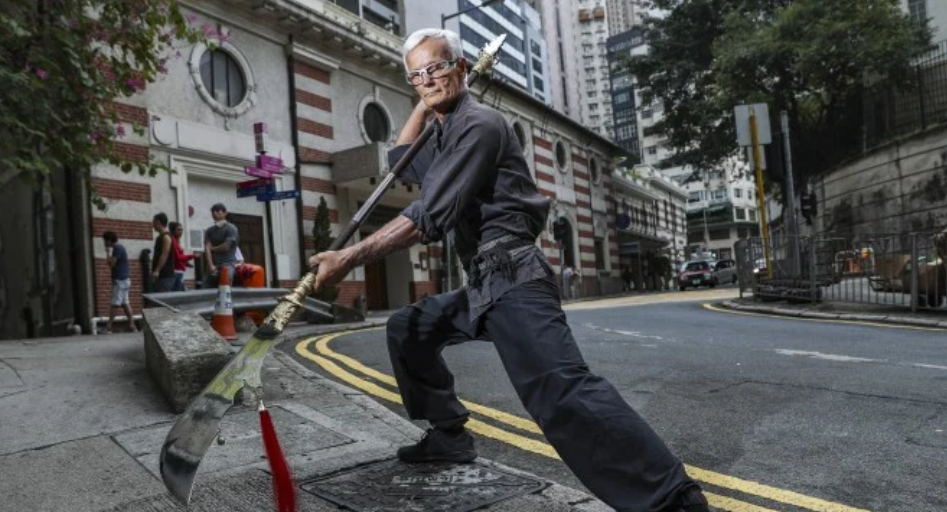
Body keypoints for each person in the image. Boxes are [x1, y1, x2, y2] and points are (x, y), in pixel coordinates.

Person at [308, 29, 709, 512]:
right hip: (481, 283)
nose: (428, 79)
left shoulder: (479, 125)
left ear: (461, 67)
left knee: (560, 392)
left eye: (437, 67)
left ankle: (672, 496)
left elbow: (426, 218)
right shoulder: (445, 130)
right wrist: (427, 97)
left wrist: (347, 258)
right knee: (407, 327)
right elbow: (401, 157)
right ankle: (449, 434)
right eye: (417, 74)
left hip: (515, 277)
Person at [102, 231, 137, 333]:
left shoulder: (117, 248)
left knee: (115, 303)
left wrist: (107, 252)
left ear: (109, 240)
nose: (104, 243)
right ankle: (132, 326)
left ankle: (108, 327)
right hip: (124, 279)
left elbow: (111, 264)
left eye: (105, 240)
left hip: (120, 280)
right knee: (125, 303)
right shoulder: (119, 248)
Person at [202, 203, 239, 289]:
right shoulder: (210, 230)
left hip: (227, 264)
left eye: (218, 211)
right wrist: (210, 265)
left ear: (225, 213)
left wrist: (213, 249)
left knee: (224, 290)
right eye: (213, 211)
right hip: (213, 266)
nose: (215, 213)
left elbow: (226, 247)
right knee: (206, 289)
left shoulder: (231, 228)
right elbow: (207, 247)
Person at [151, 213, 177, 293]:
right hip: (161, 276)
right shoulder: (160, 237)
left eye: (154, 222)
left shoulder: (166, 237)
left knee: (163, 301)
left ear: (158, 222)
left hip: (165, 276)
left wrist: (157, 271)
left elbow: (164, 255)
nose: (153, 225)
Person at [168, 221, 195, 292]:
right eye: (178, 230)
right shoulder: (173, 241)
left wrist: (186, 263)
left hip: (179, 271)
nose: (181, 232)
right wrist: (193, 256)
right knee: (179, 293)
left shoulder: (176, 241)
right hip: (176, 271)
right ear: (173, 231)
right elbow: (178, 257)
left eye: (181, 230)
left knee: (183, 292)